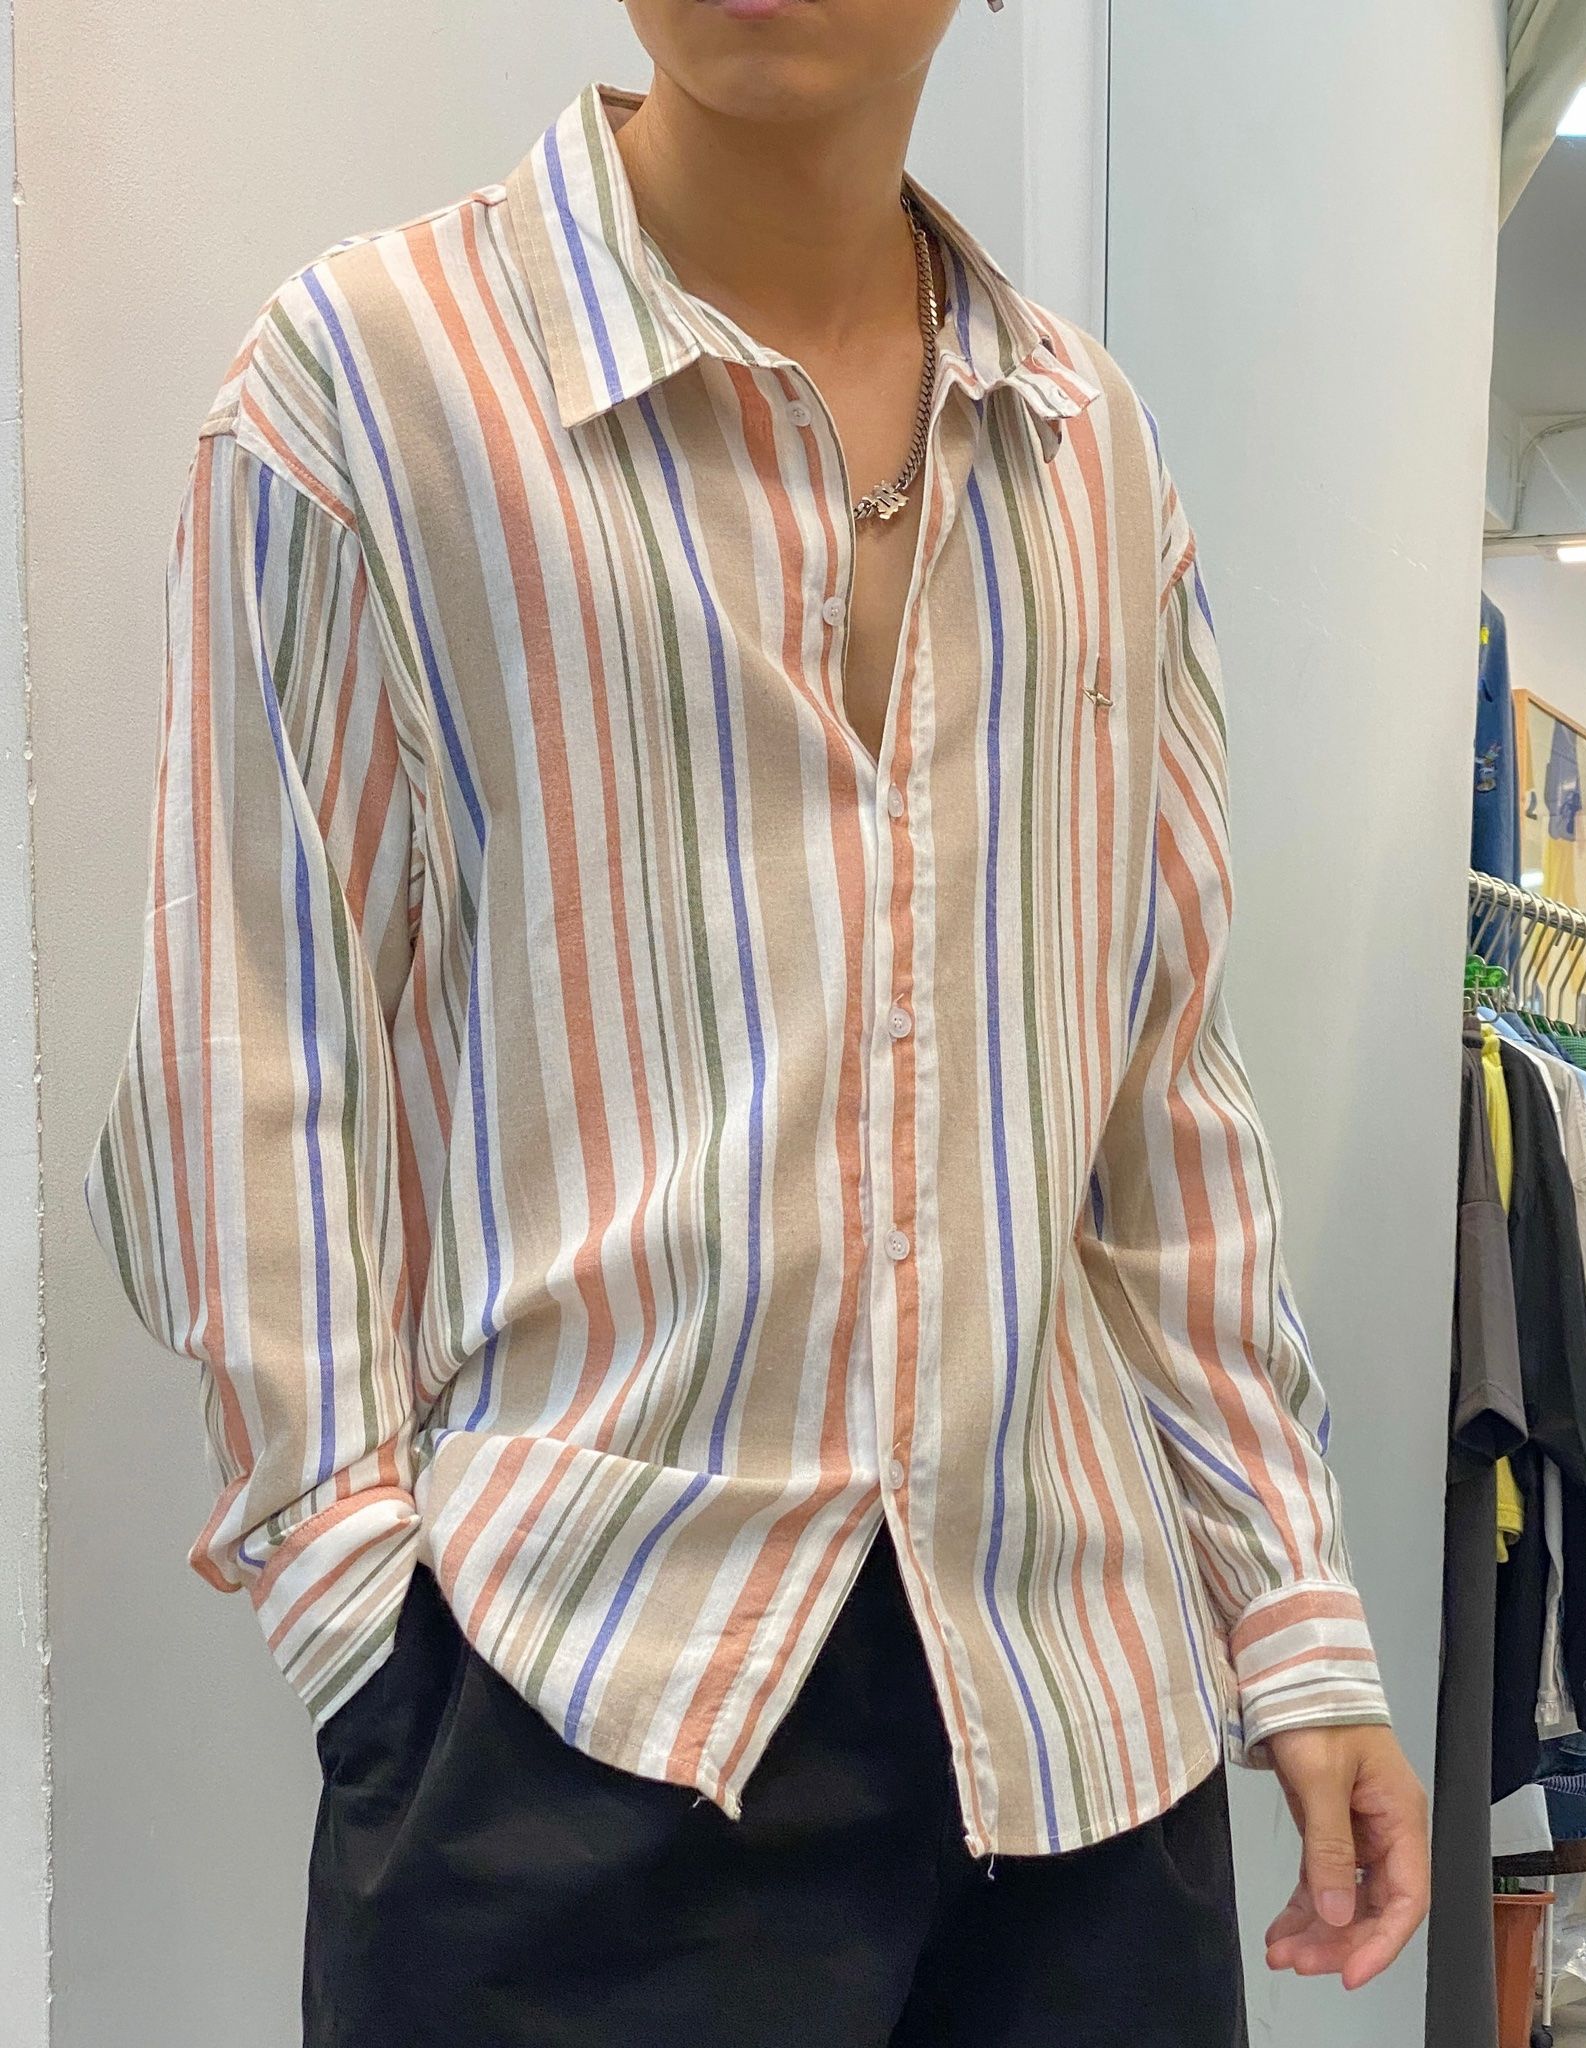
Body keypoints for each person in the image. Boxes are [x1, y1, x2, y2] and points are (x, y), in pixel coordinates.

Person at [83, 2, 1430, 2042]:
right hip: (569, 1717)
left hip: (1077, 1745)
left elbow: (1158, 1102)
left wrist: (1294, 1613)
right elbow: (244, 1053)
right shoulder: (373, 382)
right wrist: (364, 1626)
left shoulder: (1092, 456)